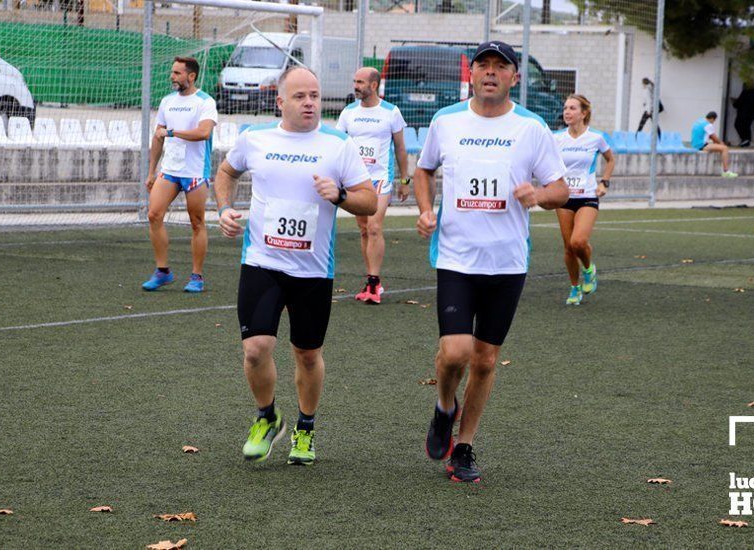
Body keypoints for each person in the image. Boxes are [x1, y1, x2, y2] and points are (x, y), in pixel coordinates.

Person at [414, 41, 569, 483]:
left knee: (484, 359)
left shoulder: (532, 127)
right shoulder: (446, 121)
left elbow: (560, 188)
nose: (490, 72)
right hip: (457, 257)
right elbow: (424, 170)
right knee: (455, 352)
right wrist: (426, 210)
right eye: (483, 64)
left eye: (500, 67)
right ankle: (445, 405)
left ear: (514, 78)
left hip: (507, 262)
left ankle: (463, 446)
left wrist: (538, 195)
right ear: (472, 73)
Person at [213, 67, 376, 466]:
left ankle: (305, 428)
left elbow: (369, 201)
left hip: (313, 271)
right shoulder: (255, 138)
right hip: (262, 262)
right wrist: (224, 208)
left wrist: (338, 195)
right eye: (300, 96)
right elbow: (225, 173)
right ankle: (267, 417)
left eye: (315, 96)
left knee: (306, 354)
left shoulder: (338, 145)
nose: (309, 103)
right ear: (280, 101)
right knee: (255, 349)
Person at [142, 56, 217, 293]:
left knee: (197, 223)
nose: (172, 77)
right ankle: (163, 271)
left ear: (191, 76)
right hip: (170, 171)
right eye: (172, 72)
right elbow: (157, 138)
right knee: (154, 215)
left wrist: (171, 132)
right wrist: (152, 171)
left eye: (177, 73)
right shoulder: (167, 102)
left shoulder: (205, 102)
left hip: (195, 172)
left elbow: (203, 132)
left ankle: (197, 276)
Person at [336, 67, 410, 304]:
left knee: (375, 227)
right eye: (354, 81)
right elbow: (338, 145)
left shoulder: (391, 112)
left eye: (360, 82)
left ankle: (374, 283)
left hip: (381, 180)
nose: (355, 86)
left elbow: (400, 148)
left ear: (374, 85)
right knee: (364, 229)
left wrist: (404, 180)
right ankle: (371, 279)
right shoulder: (348, 112)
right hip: (356, 181)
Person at [552, 94, 615, 306]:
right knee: (569, 248)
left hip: (588, 196)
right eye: (565, 108)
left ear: (584, 113)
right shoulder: (556, 137)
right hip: (564, 198)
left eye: (572, 108)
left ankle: (589, 269)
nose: (567, 112)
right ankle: (574, 288)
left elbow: (611, 159)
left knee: (578, 241)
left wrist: (604, 182)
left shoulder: (596, 137)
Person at [691, 111, 738, 178]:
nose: (713, 122)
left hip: (694, 144)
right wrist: (722, 144)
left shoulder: (699, 121)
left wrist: (717, 144)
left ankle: (726, 171)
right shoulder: (708, 125)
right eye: (714, 121)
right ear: (713, 119)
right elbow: (715, 138)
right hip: (701, 146)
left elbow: (707, 135)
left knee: (718, 146)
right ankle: (726, 172)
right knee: (724, 148)